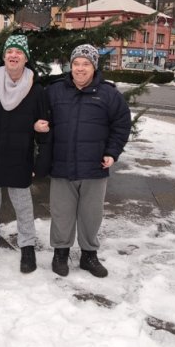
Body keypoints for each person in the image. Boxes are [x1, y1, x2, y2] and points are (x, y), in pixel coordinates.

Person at [44, 44, 131, 278]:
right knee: (61, 213)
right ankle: (60, 253)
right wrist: (39, 126)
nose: (80, 68)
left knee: (91, 215)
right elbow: (41, 116)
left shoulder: (109, 94)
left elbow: (122, 125)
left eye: (86, 64)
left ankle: (89, 255)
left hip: (94, 167)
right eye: (76, 63)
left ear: (94, 67)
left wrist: (112, 152)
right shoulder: (55, 91)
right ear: (70, 66)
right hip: (61, 165)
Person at [0, 34, 50, 273]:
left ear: (26, 58)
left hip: (19, 154)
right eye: (9, 51)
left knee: (22, 204)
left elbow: (45, 126)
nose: (13, 55)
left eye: (19, 52)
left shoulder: (36, 90)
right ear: (4, 56)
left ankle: (27, 246)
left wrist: (40, 152)